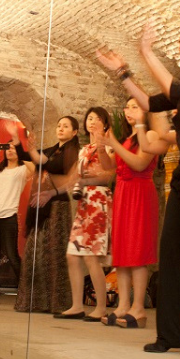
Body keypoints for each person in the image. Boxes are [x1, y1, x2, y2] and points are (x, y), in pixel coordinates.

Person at [97, 21, 180, 356]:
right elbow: (150, 101)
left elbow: (175, 92)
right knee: (171, 250)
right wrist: (123, 73)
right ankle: (172, 334)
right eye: (179, 39)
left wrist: (146, 52)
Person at [99, 97, 158, 329]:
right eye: (128, 107)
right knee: (122, 251)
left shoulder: (150, 136)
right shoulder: (126, 140)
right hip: (123, 192)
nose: (129, 111)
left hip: (140, 191)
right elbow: (109, 167)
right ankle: (123, 304)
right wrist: (101, 145)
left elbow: (140, 163)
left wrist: (114, 143)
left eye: (135, 106)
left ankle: (139, 308)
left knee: (138, 249)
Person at [13, 117, 80, 314]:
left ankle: (58, 303)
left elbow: (53, 166)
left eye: (65, 126)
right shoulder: (51, 149)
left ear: (74, 132)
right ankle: (35, 302)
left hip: (57, 206)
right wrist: (19, 142)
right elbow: (34, 158)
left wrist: (35, 154)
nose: (60, 128)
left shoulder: (72, 151)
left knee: (54, 254)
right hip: (40, 206)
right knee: (35, 252)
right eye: (59, 125)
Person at [57, 107, 115, 321]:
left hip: (98, 201)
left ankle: (101, 307)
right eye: (90, 118)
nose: (92, 122)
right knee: (72, 255)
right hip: (84, 203)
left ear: (106, 124)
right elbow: (74, 178)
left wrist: (89, 178)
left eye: (98, 119)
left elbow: (108, 177)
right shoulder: (83, 149)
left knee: (91, 257)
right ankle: (76, 305)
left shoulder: (109, 146)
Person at [0, 142, 33, 305]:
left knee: (12, 255)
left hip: (8, 215)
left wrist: (23, 152)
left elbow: (35, 169)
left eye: (13, 148)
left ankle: (25, 292)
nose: (10, 151)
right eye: (8, 148)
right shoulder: (0, 169)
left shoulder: (23, 170)